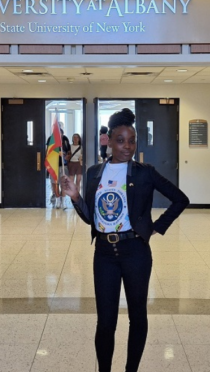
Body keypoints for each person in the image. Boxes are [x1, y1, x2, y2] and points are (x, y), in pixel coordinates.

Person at [61, 109, 189, 372]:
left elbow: (181, 199)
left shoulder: (145, 173)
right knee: (105, 322)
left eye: (132, 141)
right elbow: (91, 219)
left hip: (135, 253)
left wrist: (154, 228)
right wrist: (75, 198)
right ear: (109, 141)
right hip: (105, 254)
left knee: (137, 317)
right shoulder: (95, 172)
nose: (127, 146)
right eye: (121, 140)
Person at [47, 129, 71, 209]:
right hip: (54, 165)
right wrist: (57, 153)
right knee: (55, 183)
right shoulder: (50, 140)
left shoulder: (65, 139)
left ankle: (63, 201)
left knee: (64, 184)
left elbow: (69, 150)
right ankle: (57, 200)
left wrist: (68, 156)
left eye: (60, 134)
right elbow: (48, 152)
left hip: (64, 165)